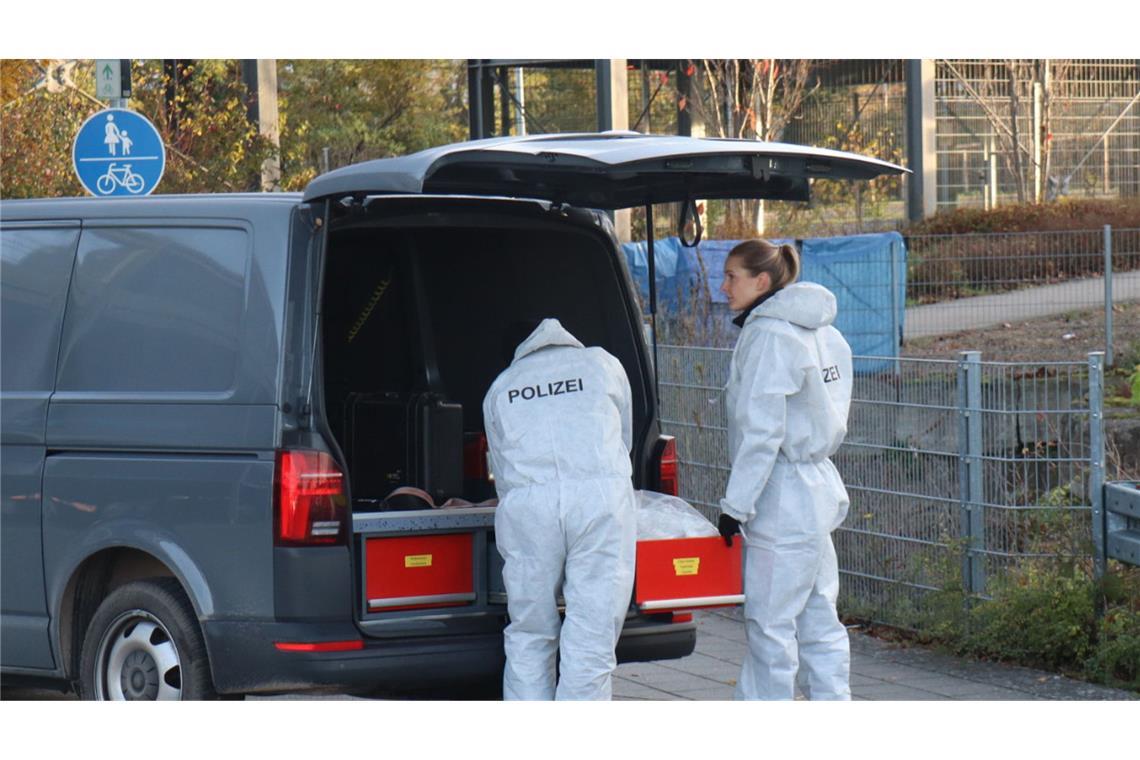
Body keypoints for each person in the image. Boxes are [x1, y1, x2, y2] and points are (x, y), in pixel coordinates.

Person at [715, 239, 854, 701]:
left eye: (732, 276)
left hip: (781, 494)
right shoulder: (823, 333)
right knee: (819, 619)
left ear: (762, 281)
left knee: (770, 626)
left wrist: (735, 505)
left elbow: (761, 431)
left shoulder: (769, 336)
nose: (724, 286)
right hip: (817, 489)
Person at [482, 317, 636, 700]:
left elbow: (500, 468)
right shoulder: (603, 365)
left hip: (529, 506)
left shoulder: (502, 386)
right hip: (601, 500)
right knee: (591, 636)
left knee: (530, 632)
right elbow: (624, 436)